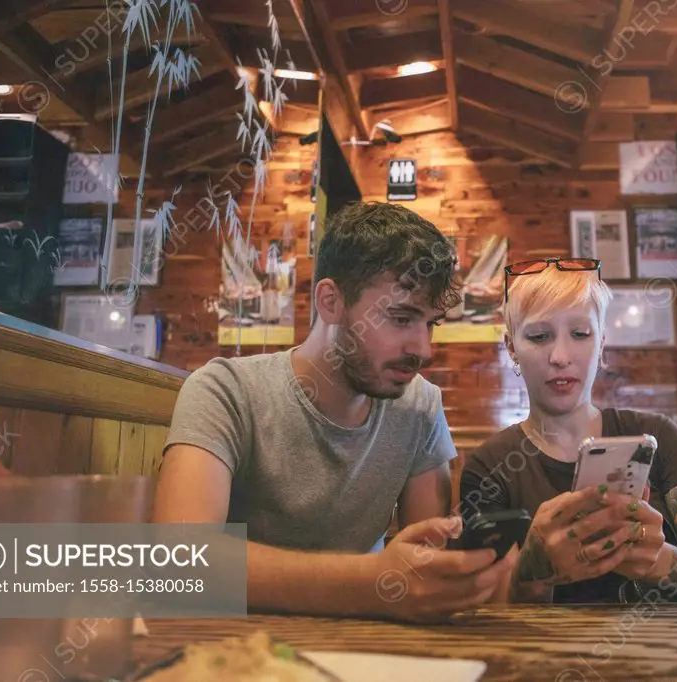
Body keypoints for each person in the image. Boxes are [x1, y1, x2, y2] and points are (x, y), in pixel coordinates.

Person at [152, 201, 516, 622]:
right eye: (401, 317)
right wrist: (369, 583)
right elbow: (179, 561)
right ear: (330, 301)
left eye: (430, 324)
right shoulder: (226, 391)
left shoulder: (419, 406)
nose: (423, 349)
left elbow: (425, 563)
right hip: (234, 654)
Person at [460, 258, 677, 604]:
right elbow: (482, 610)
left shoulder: (657, 436)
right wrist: (533, 569)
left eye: (580, 334)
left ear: (601, 343)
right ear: (511, 346)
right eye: (539, 336)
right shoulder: (490, 467)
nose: (560, 356)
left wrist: (661, 560)